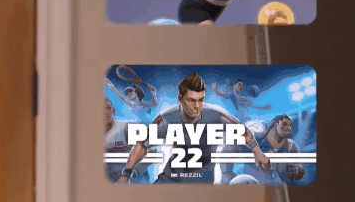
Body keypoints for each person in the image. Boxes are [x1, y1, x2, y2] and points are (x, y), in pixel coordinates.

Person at [117, 72, 270, 184]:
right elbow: (142, 144)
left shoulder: (215, 114)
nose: (197, 106)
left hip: (202, 183)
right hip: (170, 180)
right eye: (191, 100)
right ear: (180, 98)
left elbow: (242, 130)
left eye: (200, 100)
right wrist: (126, 174)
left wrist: (257, 151)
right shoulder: (166, 117)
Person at [239, 115, 307, 184]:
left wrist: (296, 170)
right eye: (284, 124)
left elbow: (300, 173)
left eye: (290, 125)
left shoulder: (291, 145)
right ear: (275, 125)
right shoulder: (257, 140)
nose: (288, 128)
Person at [105, 98, 150, 183]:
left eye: (108, 108)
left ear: (112, 110)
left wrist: (127, 174)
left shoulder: (125, 129)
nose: (107, 112)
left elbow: (151, 148)